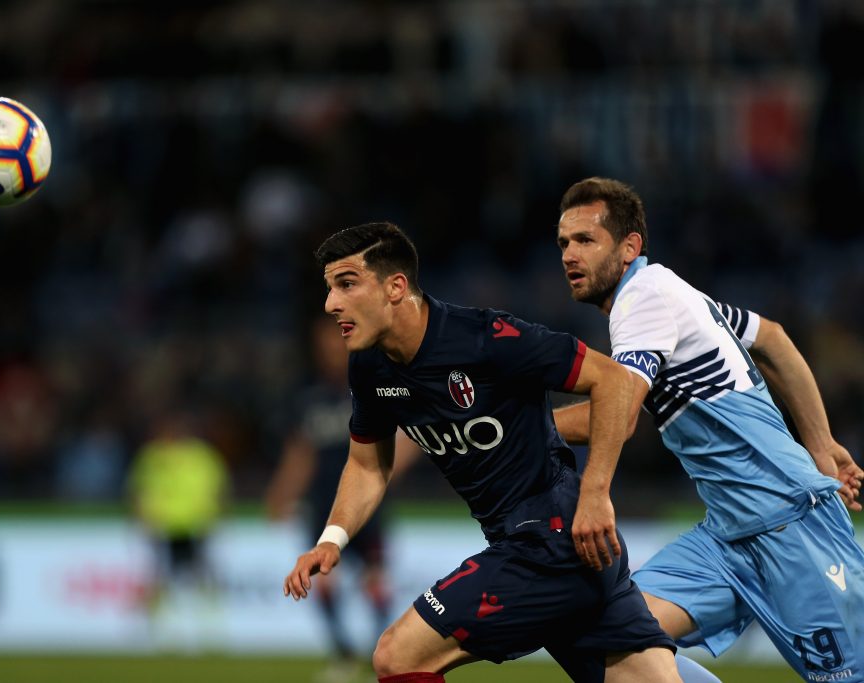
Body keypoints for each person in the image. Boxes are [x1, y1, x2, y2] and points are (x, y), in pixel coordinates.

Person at [282, 221, 684, 683]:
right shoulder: (369, 367)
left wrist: (596, 494)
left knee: (397, 656)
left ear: (395, 287)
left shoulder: (486, 338)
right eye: (330, 288)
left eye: (347, 284)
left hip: (549, 540)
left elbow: (612, 380)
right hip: (558, 549)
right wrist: (331, 540)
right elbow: (367, 465)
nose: (331, 303)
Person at [554, 177, 864, 681]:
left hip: (792, 524)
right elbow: (773, 339)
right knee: (615, 638)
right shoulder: (673, 292)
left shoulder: (642, 299)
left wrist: (527, 428)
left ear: (629, 246)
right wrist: (821, 444)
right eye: (564, 243)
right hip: (726, 539)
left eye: (586, 240)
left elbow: (619, 416)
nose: (570, 254)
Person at [267, 316, 420, 683]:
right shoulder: (309, 398)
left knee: (375, 581)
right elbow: (300, 452)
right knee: (323, 582)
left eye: (336, 343)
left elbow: (413, 434)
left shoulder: (379, 383)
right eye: (323, 346)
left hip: (368, 505)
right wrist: (282, 492)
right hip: (324, 506)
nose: (331, 352)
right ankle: (343, 653)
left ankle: (376, 651)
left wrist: (381, 475)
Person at [127, 409, 229, 619]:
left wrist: (215, 516)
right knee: (159, 574)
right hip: (163, 526)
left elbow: (218, 488)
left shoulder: (201, 455)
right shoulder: (152, 456)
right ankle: (155, 617)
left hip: (195, 525)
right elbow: (138, 490)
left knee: (201, 574)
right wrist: (142, 517)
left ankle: (209, 615)